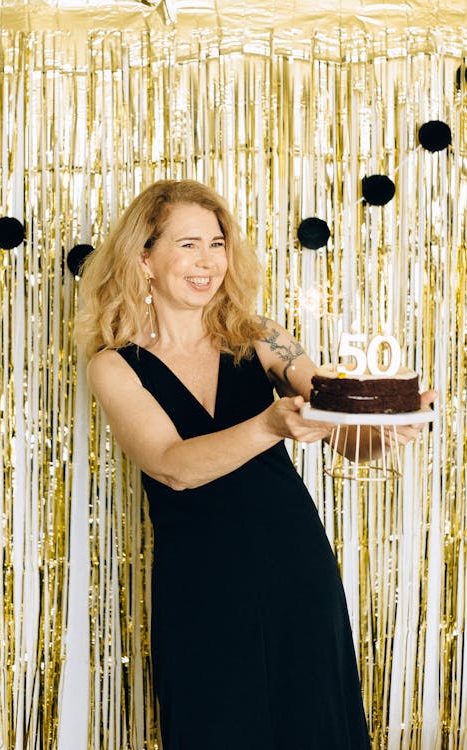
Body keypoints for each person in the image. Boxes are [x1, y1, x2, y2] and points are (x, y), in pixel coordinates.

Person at [76, 179, 436, 750]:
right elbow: (173, 466)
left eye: (217, 244)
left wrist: (388, 426)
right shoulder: (114, 366)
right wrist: (270, 424)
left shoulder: (261, 336)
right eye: (188, 244)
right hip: (201, 584)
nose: (208, 261)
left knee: (315, 724)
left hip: (294, 565)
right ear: (144, 258)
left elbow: (340, 428)